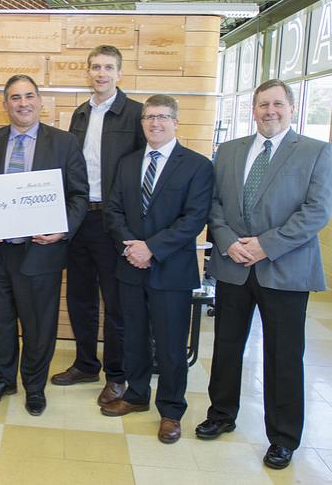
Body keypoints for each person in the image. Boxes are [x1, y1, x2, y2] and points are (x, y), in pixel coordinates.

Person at [195, 79, 332, 469]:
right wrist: (227, 240)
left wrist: (264, 246)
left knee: (283, 355)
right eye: (262, 105)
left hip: (285, 270)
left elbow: (316, 212)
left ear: (291, 107)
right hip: (232, 265)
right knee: (226, 346)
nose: (269, 111)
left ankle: (283, 437)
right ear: (253, 110)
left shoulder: (316, 152)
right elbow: (215, 204)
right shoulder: (229, 152)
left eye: (277, 104)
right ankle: (221, 414)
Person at [0, 75, 88, 416]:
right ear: (5, 104)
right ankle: (2, 381)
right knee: (0, 321)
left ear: (40, 101)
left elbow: (79, 195)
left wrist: (61, 229)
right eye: (15, 98)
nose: (23, 103)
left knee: (39, 325)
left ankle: (34, 387)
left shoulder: (64, 143)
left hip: (41, 250)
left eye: (29, 96)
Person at [102, 94, 213, 443]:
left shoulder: (197, 165)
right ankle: (135, 395)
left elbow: (193, 218)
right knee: (133, 338)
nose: (155, 123)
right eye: (149, 117)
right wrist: (133, 247)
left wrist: (152, 248)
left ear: (176, 122)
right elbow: (113, 210)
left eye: (163, 117)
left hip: (172, 271)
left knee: (170, 345)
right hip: (131, 266)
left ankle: (170, 410)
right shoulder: (128, 162)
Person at [51, 45, 145, 407]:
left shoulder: (135, 114)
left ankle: (117, 376)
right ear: (87, 73)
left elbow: (139, 172)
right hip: (79, 218)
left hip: (113, 222)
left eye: (108, 67)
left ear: (119, 73)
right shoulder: (79, 113)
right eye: (95, 67)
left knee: (116, 303)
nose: (101, 73)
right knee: (80, 297)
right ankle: (86, 364)